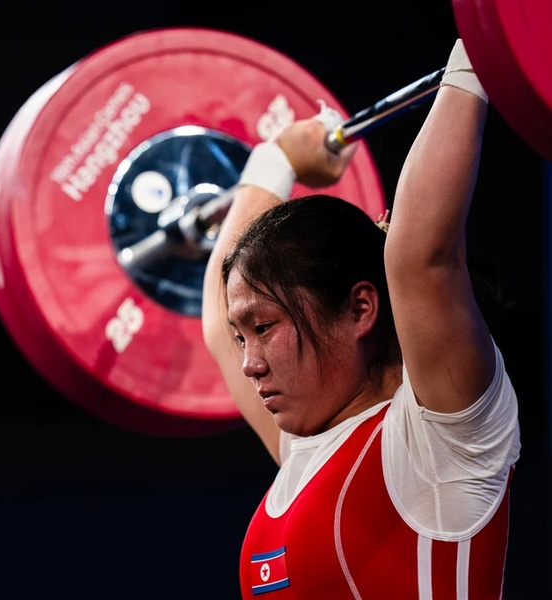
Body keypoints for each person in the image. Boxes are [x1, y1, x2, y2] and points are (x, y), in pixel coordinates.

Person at [201, 39, 521, 598]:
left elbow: (422, 258)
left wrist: (483, 48)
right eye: (242, 335)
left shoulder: (436, 442)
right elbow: (216, 311)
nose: (248, 364)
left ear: (360, 308)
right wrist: (276, 159)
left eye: (266, 328)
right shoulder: (302, 446)